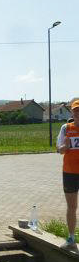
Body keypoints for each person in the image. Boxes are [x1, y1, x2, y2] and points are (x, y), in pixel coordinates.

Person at [56, 99, 79, 250]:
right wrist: (63, 147)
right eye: (76, 111)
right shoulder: (66, 128)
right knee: (72, 206)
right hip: (70, 172)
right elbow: (59, 149)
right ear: (72, 112)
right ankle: (71, 239)